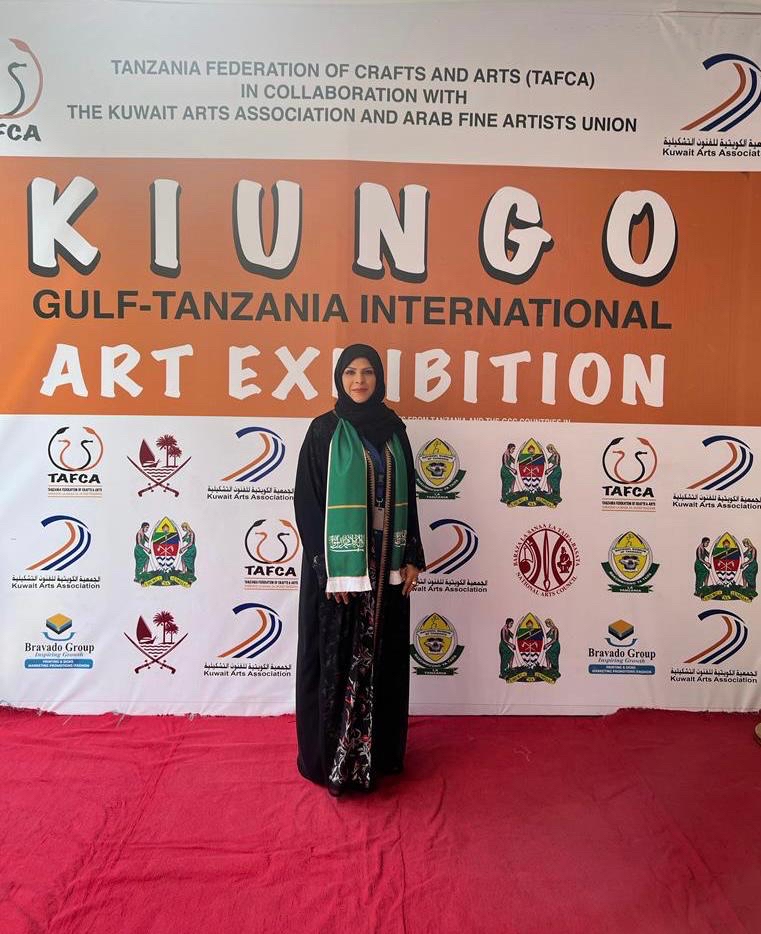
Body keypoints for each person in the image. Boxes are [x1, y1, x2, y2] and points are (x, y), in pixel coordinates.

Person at [294, 344, 425, 795]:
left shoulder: (394, 431)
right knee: (337, 659)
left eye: (367, 372)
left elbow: (410, 496)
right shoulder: (323, 431)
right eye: (350, 372)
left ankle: (377, 756)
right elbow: (307, 503)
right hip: (340, 567)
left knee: (381, 658)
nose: (359, 381)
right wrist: (327, 569)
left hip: (386, 562)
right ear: (339, 378)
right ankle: (334, 761)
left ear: (379, 379)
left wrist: (412, 555)